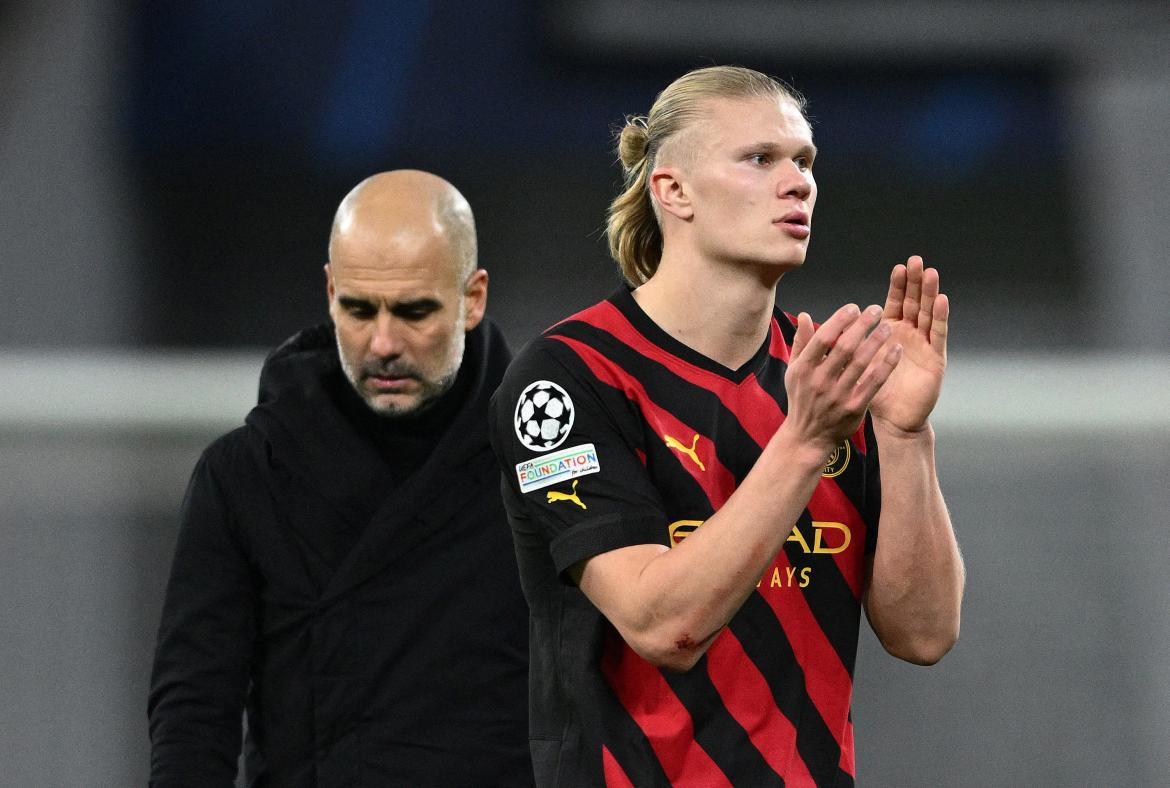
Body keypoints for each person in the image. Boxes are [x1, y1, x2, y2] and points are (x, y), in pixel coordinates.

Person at [489, 66, 964, 786]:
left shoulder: (822, 378)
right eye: (759, 158)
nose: (798, 182)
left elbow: (924, 634)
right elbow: (662, 626)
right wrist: (805, 442)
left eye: (804, 161)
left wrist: (903, 436)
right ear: (672, 190)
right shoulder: (568, 378)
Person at [149, 170, 533, 786]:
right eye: (359, 310)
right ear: (330, 293)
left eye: (414, 311)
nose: (383, 343)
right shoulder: (247, 474)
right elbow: (195, 710)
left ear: (474, 298)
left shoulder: (539, 466)